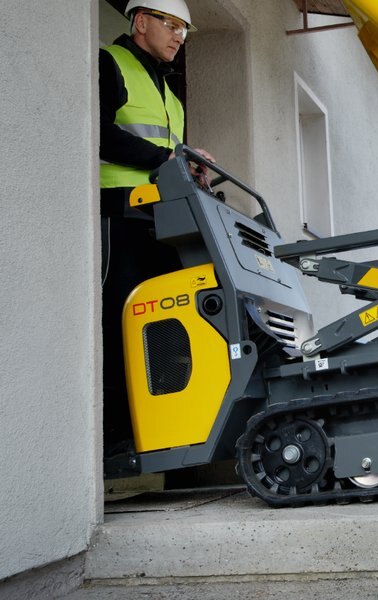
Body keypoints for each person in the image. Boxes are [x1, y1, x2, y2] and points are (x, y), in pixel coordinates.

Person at [99, 0, 214, 457]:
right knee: (119, 320)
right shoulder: (110, 62)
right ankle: (114, 439)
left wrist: (190, 161)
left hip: (161, 221)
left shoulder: (169, 90)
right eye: (172, 25)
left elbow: (165, 153)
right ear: (141, 21)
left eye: (185, 29)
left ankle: (160, 435)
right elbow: (99, 133)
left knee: (165, 327)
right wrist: (165, 159)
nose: (179, 36)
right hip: (120, 216)